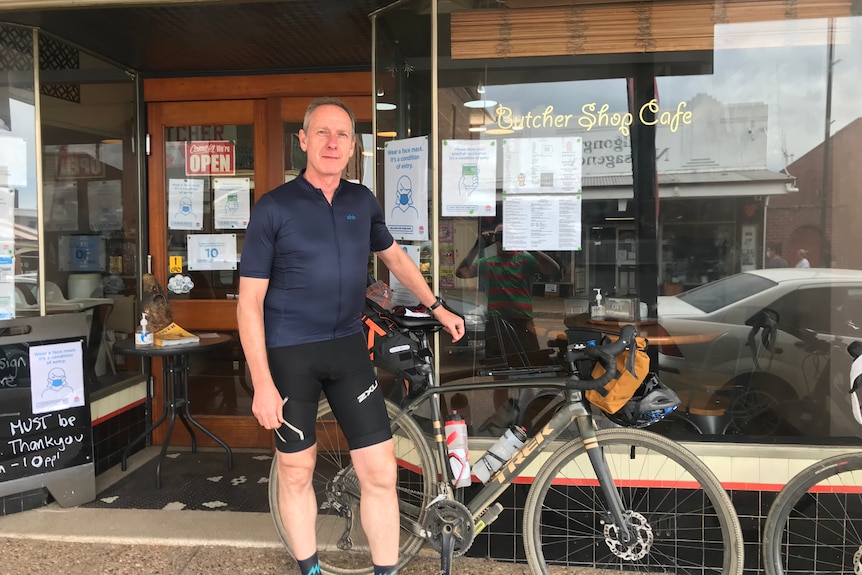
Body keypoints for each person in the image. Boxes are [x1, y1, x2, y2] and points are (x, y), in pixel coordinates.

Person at [237, 97, 464, 575]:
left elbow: (396, 258)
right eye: (321, 132)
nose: (332, 142)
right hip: (289, 355)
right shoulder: (273, 208)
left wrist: (437, 305)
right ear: (302, 140)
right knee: (297, 472)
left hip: (347, 350)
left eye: (342, 134)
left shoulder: (363, 201)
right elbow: (249, 302)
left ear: (354, 146)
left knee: (380, 473)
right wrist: (261, 382)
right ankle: (311, 570)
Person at [456, 223, 560, 406]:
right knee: (500, 379)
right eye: (501, 237)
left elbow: (553, 269)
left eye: (509, 237)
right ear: (494, 240)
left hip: (523, 325)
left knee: (527, 377)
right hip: (496, 325)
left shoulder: (525, 260)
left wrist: (528, 244)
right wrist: (477, 246)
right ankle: (500, 419)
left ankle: (524, 417)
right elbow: (462, 273)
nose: (504, 242)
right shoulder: (488, 263)